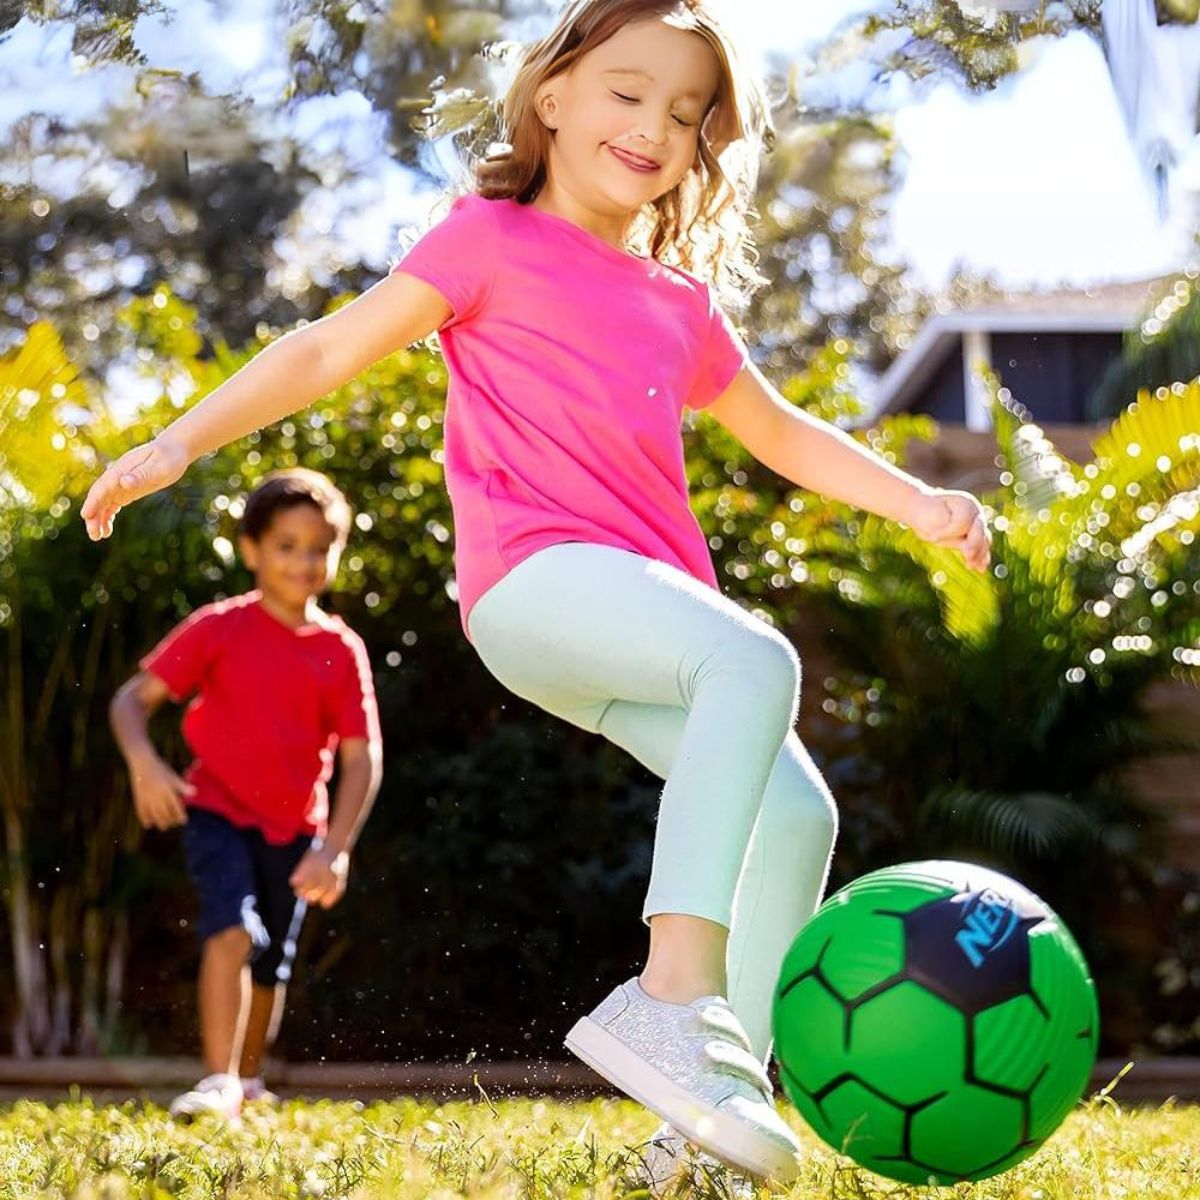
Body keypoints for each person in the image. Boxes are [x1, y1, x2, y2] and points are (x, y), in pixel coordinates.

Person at [83, 0, 989, 1178]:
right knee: (755, 659)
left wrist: (919, 503)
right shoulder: (486, 241)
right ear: (550, 98)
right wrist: (179, 445)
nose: (654, 126)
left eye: (685, 112)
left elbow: (782, 432)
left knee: (797, 814)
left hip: (631, 612)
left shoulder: (679, 304)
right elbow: (323, 349)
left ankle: (706, 1122)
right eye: (627, 91)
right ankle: (672, 996)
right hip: (533, 586)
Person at [109, 468, 383, 1121]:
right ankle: (217, 1080)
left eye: (319, 547)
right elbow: (130, 701)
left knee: (271, 966)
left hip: (296, 831)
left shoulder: (341, 652)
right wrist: (145, 764)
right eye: (286, 545)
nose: (304, 561)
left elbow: (361, 754)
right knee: (231, 928)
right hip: (217, 809)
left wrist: (336, 849)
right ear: (252, 550)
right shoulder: (218, 627)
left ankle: (249, 1082)